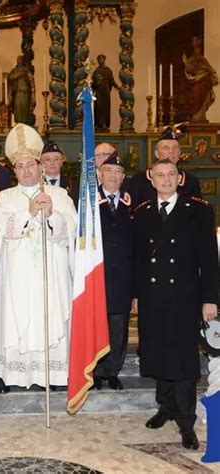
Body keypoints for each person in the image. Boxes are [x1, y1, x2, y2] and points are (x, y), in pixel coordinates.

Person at [0, 123, 77, 393]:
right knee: (13, 319)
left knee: (50, 319)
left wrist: (52, 216)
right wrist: (29, 213)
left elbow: (72, 229)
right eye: (20, 166)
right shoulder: (4, 198)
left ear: (41, 167)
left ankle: (54, 374)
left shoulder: (59, 195)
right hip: (16, 278)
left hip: (51, 277)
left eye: (31, 165)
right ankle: (9, 373)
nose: (26, 170)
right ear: (14, 171)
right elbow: (1, 228)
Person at [132, 158, 218, 450]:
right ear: (151, 179)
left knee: (183, 362)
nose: (166, 180)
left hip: (185, 297)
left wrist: (210, 299)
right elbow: (138, 260)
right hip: (153, 297)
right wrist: (135, 295)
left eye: (171, 175)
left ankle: (186, 421)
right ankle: (165, 407)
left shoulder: (199, 211)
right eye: (160, 175)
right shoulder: (141, 213)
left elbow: (209, 260)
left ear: (179, 179)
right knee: (157, 354)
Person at [92, 151, 133, 391]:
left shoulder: (131, 203)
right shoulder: (89, 201)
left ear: (123, 177)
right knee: (98, 324)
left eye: (118, 172)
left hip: (122, 277)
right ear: (100, 174)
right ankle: (96, 371)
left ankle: (113, 371)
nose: (114, 176)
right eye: (109, 171)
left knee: (119, 327)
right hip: (98, 275)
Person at [129, 127, 201, 209]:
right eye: (166, 148)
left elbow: (199, 214)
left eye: (175, 148)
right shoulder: (139, 180)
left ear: (180, 153)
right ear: (156, 153)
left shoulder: (191, 181)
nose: (171, 151)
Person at [182, 36, 218, 123]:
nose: (196, 49)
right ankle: (196, 116)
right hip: (196, 85)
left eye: (198, 47)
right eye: (195, 47)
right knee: (195, 97)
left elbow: (211, 71)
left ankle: (200, 116)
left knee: (202, 100)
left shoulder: (203, 59)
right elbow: (189, 71)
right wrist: (186, 63)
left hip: (205, 85)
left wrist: (206, 70)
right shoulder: (190, 60)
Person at [41, 141, 79, 207]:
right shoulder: (37, 185)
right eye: (48, 159)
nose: (52, 162)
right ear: (42, 163)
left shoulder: (74, 186)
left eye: (56, 159)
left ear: (61, 163)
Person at [91, 54, 120, 131]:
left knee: (105, 108)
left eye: (102, 59)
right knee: (98, 108)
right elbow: (92, 84)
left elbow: (112, 81)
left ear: (104, 60)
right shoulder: (96, 71)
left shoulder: (108, 70)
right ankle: (98, 124)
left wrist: (117, 86)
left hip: (106, 92)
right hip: (98, 92)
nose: (100, 60)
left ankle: (104, 124)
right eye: (99, 59)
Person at [8, 55, 36, 125]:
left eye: (20, 59)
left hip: (25, 92)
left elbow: (31, 80)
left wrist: (33, 94)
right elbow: (10, 77)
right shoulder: (14, 70)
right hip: (17, 92)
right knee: (17, 108)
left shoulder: (26, 70)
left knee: (24, 108)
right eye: (18, 60)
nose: (19, 61)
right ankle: (18, 122)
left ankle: (24, 122)